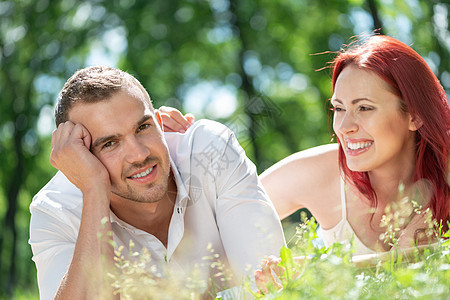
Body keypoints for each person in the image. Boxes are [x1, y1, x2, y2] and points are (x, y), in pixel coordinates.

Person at [162, 34, 449, 255]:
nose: (344, 127)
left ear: (415, 115)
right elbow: (202, 225)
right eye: (338, 108)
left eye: (364, 108)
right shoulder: (319, 173)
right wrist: (162, 145)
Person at [29, 66, 286, 299]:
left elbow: (272, 287)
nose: (139, 154)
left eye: (143, 127)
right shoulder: (55, 211)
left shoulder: (210, 152)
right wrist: (94, 190)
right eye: (110, 144)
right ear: (82, 157)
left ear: (160, 123)